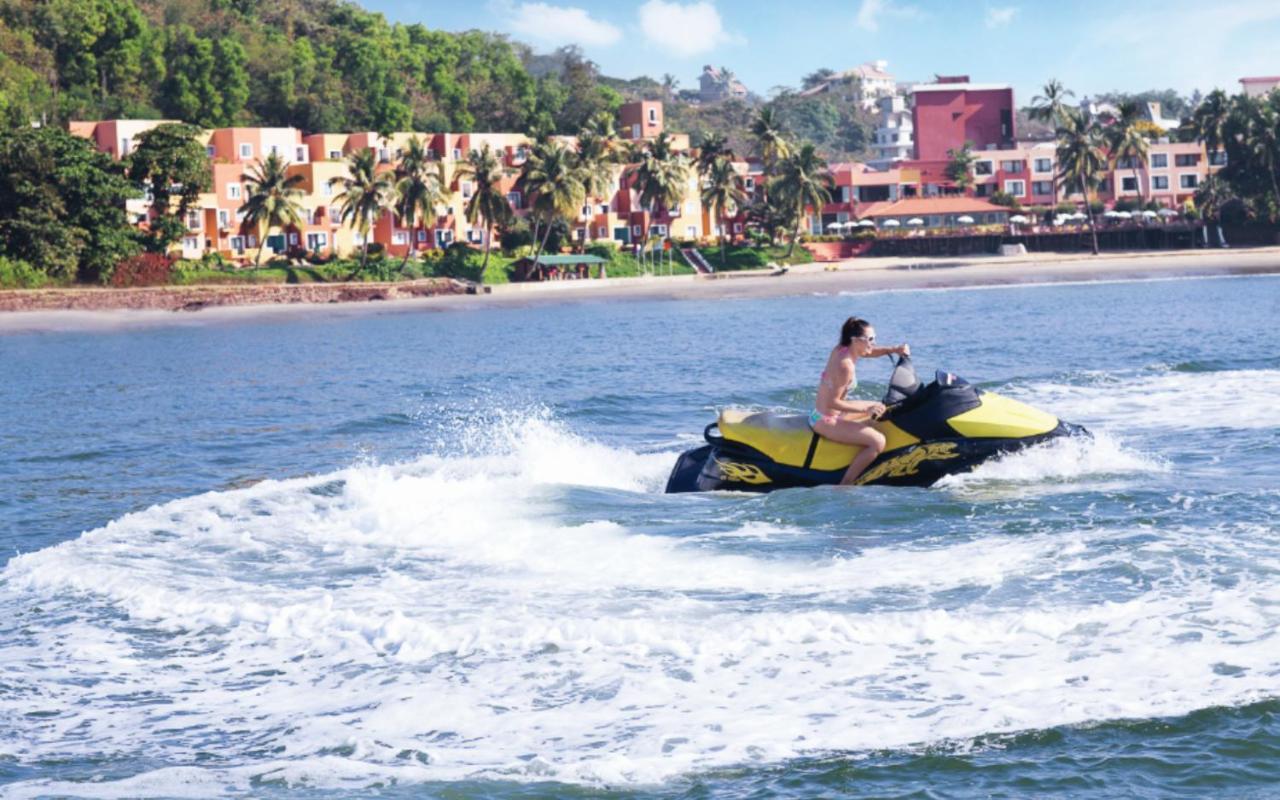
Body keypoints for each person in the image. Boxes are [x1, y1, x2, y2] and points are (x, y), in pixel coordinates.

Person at [810, 316, 910, 485]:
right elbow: (832, 402)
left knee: (881, 406)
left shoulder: (843, 349)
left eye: (874, 338)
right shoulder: (845, 365)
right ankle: (845, 485)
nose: (873, 343)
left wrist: (895, 349)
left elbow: (870, 352)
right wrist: (866, 410)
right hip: (826, 419)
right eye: (870, 339)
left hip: (829, 413)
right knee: (878, 442)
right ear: (855, 340)